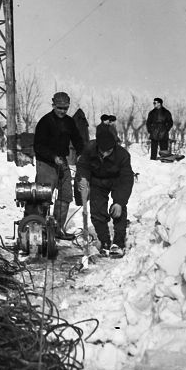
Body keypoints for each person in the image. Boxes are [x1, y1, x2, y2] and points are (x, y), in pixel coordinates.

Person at [30, 92, 85, 240]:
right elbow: (38, 146)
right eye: (60, 108)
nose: (62, 111)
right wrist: (53, 157)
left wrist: (81, 153)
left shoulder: (69, 122)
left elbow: (77, 139)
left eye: (65, 108)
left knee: (65, 195)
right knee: (43, 197)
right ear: (53, 105)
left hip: (62, 162)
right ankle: (37, 232)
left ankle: (57, 229)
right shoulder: (45, 122)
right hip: (46, 163)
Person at [76, 123, 135, 258]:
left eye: (108, 151)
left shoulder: (123, 155)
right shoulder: (90, 148)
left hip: (117, 180)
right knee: (97, 211)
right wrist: (83, 178)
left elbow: (126, 180)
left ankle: (118, 243)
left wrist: (119, 202)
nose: (104, 154)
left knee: (118, 211)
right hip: (97, 181)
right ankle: (105, 242)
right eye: (102, 151)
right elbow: (82, 166)